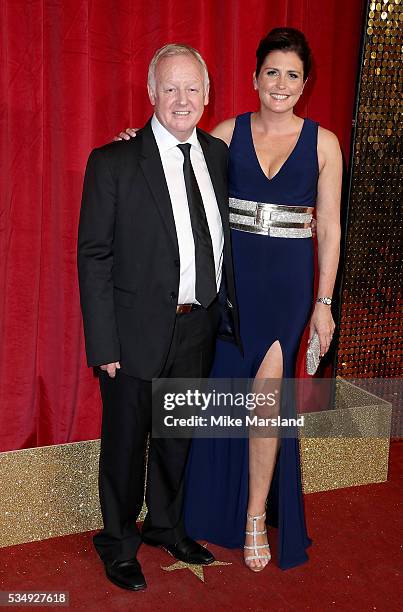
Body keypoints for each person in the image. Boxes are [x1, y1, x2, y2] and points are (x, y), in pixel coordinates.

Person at [116, 27, 342, 573]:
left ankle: (255, 516)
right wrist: (135, 145)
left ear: (304, 83)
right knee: (216, 394)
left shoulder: (324, 143)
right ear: (254, 78)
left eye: (292, 74)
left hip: (286, 289)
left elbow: (330, 230)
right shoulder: (225, 132)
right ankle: (199, 507)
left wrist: (324, 302)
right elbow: (173, 151)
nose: (281, 83)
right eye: (272, 72)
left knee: (266, 399)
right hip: (228, 285)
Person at [77, 43, 241, 591]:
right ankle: (118, 542)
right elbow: (94, 256)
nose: (181, 99)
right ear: (150, 93)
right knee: (124, 445)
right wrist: (104, 344)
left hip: (199, 325)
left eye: (192, 88)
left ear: (207, 95)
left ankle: (164, 525)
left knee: (177, 437)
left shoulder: (218, 155)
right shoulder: (114, 161)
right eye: (169, 87)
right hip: (133, 333)